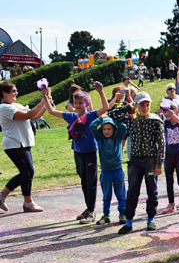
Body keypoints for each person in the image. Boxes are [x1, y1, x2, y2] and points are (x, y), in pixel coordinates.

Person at [42, 82, 110, 223]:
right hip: (78, 152)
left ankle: (91, 212)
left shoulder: (91, 115)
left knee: (91, 182)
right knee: (84, 182)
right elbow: (51, 112)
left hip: (90, 152)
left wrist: (101, 92)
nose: (78, 105)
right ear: (73, 103)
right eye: (76, 103)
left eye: (81, 103)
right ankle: (89, 208)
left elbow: (105, 107)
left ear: (86, 103)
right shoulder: (71, 116)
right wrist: (44, 96)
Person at [108, 91, 166, 235]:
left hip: (150, 161)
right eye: (142, 104)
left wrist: (159, 164)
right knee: (132, 191)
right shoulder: (131, 119)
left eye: (147, 104)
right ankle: (129, 222)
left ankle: (151, 218)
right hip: (135, 161)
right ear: (137, 105)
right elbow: (112, 114)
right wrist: (128, 106)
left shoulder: (155, 120)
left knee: (152, 190)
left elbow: (162, 143)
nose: (145, 107)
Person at [0, 81, 46, 212]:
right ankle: (28, 202)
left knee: (25, 172)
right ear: (4, 93)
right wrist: (42, 101)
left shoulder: (17, 105)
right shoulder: (4, 108)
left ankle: (2, 195)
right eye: (13, 90)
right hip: (14, 144)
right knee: (28, 172)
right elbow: (28, 115)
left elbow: (36, 116)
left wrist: (46, 103)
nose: (16, 93)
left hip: (23, 143)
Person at [89, 115, 127, 225]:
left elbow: (123, 127)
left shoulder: (118, 136)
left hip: (117, 170)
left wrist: (114, 119)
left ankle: (122, 213)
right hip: (105, 171)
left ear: (114, 129)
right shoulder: (100, 138)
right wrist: (101, 118)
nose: (106, 131)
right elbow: (92, 126)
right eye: (104, 129)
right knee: (106, 195)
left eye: (109, 129)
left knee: (121, 194)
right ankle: (106, 215)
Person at [159, 104, 179, 215]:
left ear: (175, 111)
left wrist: (174, 115)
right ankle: (171, 204)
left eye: (168, 111)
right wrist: (159, 115)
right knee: (169, 181)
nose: (166, 114)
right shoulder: (164, 123)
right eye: (165, 112)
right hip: (168, 155)